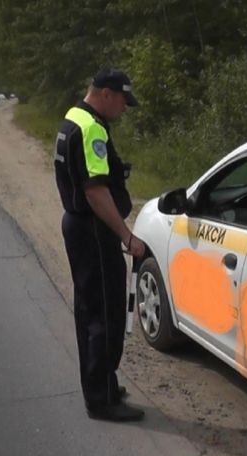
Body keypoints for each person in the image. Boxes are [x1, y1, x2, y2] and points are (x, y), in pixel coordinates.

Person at [53, 68, 146, 422]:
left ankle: (101, 382)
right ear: (106, 94)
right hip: (93, 230)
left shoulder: (73, 117)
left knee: (90, 310)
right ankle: (102, 398)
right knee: (105, 314)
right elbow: (95, 191)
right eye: (122, 100)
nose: (124, 108)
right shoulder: (91, 128)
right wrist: (127, 236)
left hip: (79, 227)